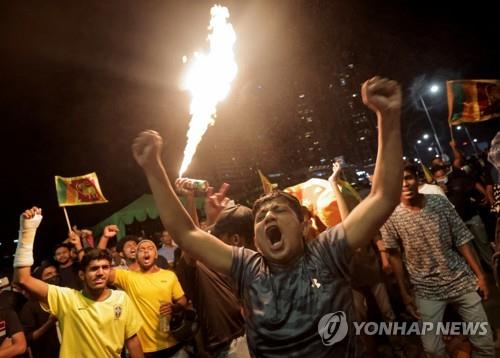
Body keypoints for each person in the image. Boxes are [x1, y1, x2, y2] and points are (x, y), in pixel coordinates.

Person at [132, 76, 404, 356]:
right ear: (256, 236)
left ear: (302, 224)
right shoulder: (247, 267)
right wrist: (153, 167)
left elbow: (383, 196)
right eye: (261, 215)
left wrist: (389, 116)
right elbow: (186, 234)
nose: (268, 217)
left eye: (279, 210)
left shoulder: (326, 252)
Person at [381, 164, 494, 356]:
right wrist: (404, 292)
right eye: (399, 181)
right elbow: (394, 255)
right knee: (433, 350)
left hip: (460, 280)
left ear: (417, 179)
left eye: (408, 178)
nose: (405, 184)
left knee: (484, 344)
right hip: (425, 289)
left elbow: (461, 238)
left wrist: (481, 275)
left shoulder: (439, 203)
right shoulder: (390, 215)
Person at [13, 207, 144, 358]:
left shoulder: (122, 299)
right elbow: (22, 279)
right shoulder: (66, 299)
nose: (100, 272)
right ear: (82, 275)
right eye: (94, 269)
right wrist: (27, 232)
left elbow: (133, 341)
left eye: (105, 267)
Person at [109, 239, 188, 357]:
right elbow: (101, 269)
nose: (146, 251)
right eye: (141, 250)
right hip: (144, 349)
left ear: (156, 255)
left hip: (172, 344)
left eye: (150, 248)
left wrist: (175, 307)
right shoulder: (128, 277)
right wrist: (105, 238)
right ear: (136, 256)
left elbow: (182, 300)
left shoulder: (169, 275)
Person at [20, 261, 61, 358]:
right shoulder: (30, 307)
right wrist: (50, 323)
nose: (54, 276)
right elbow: (29, 338)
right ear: (40, 281)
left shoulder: (67, 296)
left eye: (55, 273)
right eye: (49, 274)